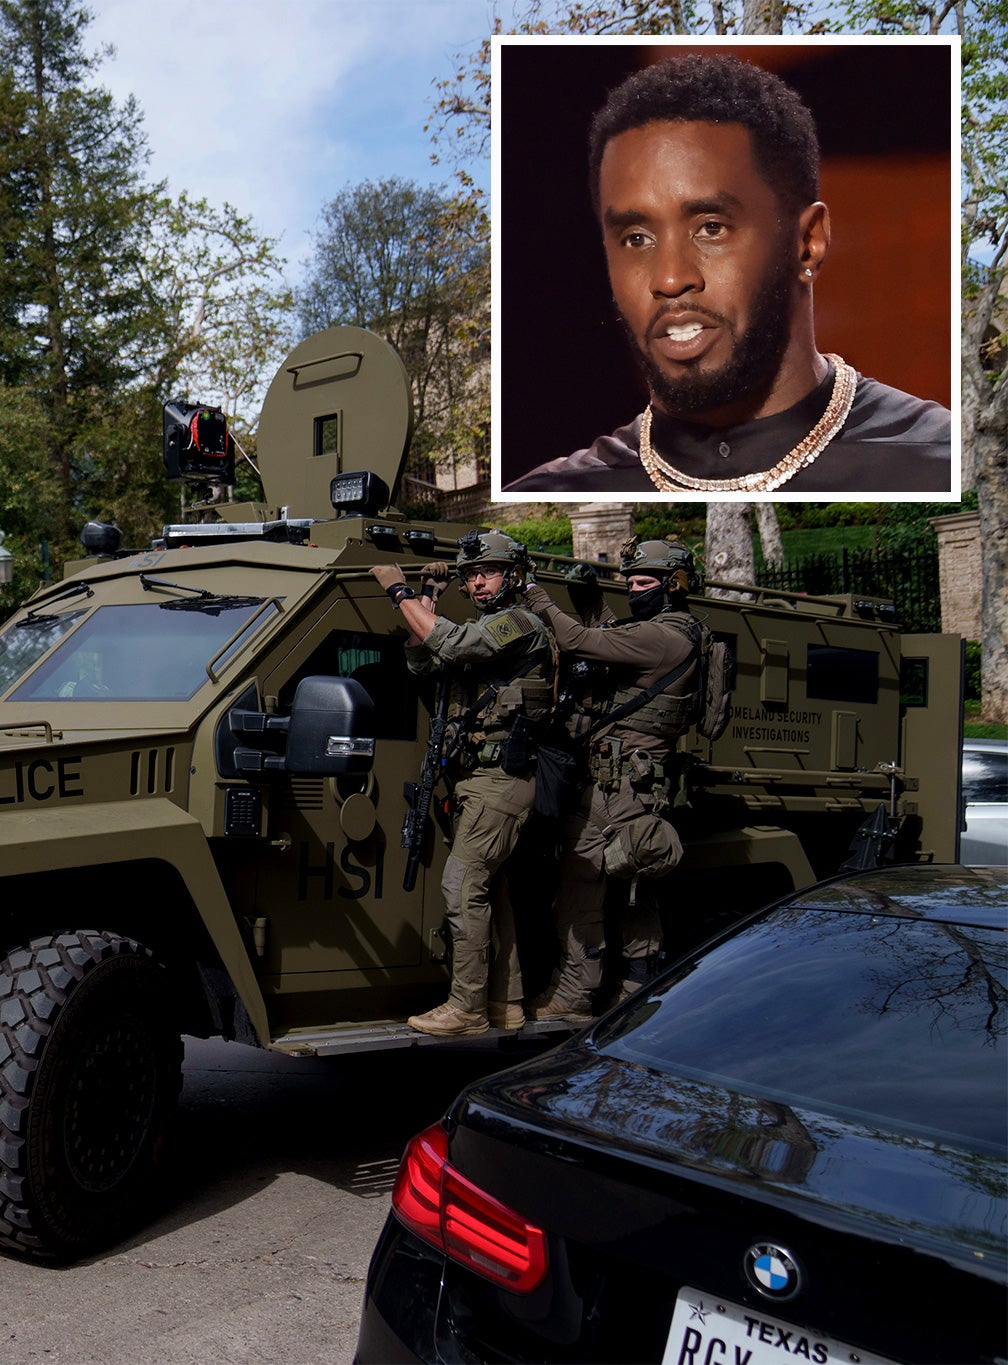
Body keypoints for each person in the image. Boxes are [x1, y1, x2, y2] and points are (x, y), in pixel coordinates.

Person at [504, 53, 950, 495]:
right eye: (636, 238)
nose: (671, 279)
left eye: (711, 228)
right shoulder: (561, 487)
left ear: (808, 243)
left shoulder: (938, 460)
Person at [369, 531, 553, 1037]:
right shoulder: (485, 623)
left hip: (503, 779)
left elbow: (451, 642)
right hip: (476, 778)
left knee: (464, 882)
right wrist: (426, 599)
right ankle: (504, 1002)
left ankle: (466, 1007)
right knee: (493, 891)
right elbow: (424, 658)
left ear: (513, 575)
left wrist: (398, 593)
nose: (476, 581)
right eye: (471, 574)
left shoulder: (522, 623)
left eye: (487, 572)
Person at [520, 538, 702, 1016]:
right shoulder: (679, 632)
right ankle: (633, 990)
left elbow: (579, 642)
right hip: (636, 787)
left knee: (582, 888)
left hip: (613, 787)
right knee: (634, 891)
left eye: (644, 583)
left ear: (674, 586)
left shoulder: (664, 637)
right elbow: (614, 641)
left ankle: (574, 995)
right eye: (630, 581)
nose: (634, 590)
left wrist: (536, 594)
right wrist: (592, 602)